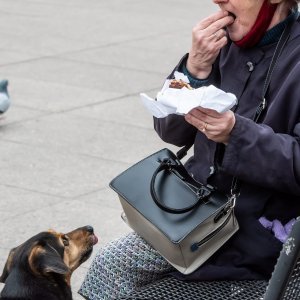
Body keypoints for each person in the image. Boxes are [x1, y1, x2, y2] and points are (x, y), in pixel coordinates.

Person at [79, 0, 300, 299]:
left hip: (265, 241)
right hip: (192, 222)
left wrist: (236, 133)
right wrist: (195, 68)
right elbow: (169, 131)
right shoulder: (222, 45)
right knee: (110, 265)